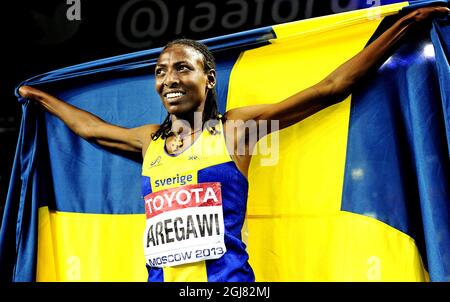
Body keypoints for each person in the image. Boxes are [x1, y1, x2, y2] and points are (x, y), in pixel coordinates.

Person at [18, 6, 450, 282]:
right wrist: (40, 98)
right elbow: (91, 129)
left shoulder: (234, 130)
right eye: (161, 70)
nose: (169, 78)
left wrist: (401, 28)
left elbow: (330, 89)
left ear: (208, 78)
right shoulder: (150, 140)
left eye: (182, 68)